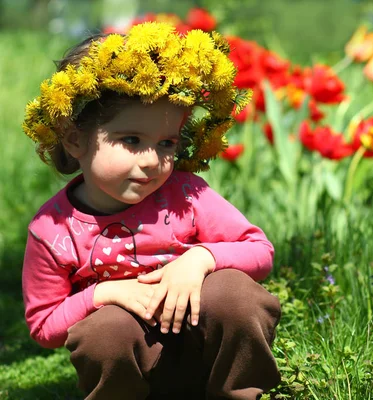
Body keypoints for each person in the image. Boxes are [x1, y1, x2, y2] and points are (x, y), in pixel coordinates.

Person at [21, 22, 281, 400]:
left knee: (234, 293)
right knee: (104, 330)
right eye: (131, 140)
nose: (152, 161)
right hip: (129, 363)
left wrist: (200, 260)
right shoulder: (53, 230)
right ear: (75, 139)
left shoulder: (186, 195)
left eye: (166, 143)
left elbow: (259, 250)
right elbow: (44, 325)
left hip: (204, 349)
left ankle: (235, 393)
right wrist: (103, 294)